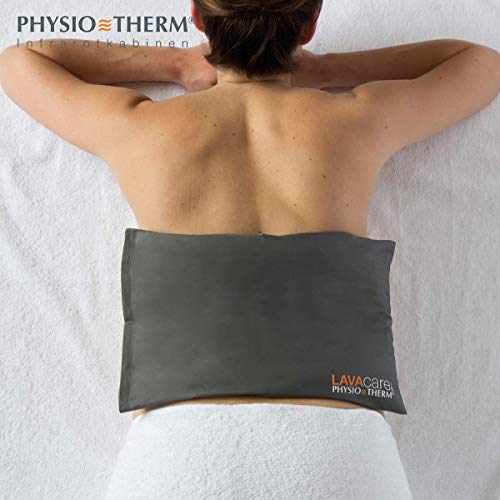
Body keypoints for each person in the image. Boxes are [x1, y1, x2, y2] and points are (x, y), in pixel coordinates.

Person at [1, 0, 498, 498]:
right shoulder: (359, 118)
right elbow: (481, 63)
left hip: (178, 454)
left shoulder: (139, 126)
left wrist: (175, 64)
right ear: (310, 23)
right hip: (342, 452)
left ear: (198, 17)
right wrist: (327, 69)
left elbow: (20, 60)